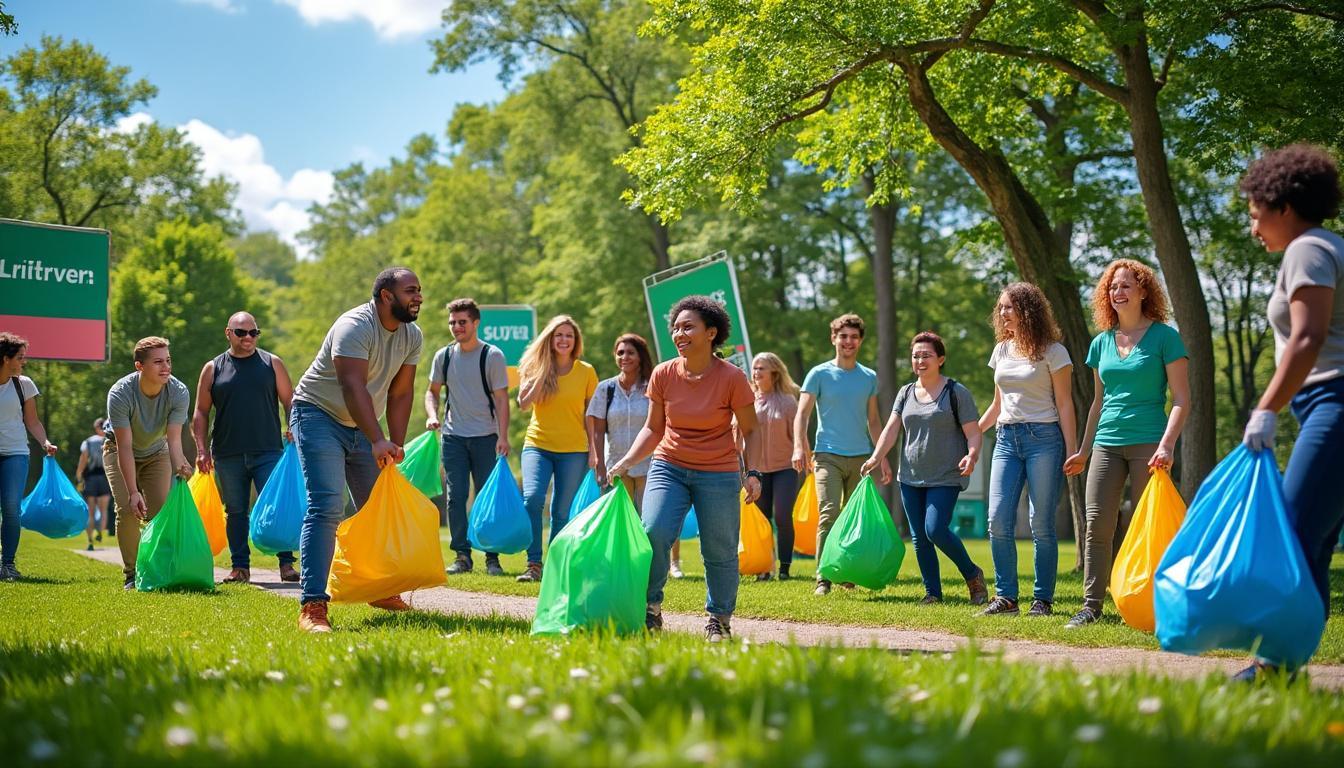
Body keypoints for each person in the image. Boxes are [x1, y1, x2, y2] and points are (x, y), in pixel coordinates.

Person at [1237, 144, 1344, 680]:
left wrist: (1264, 408)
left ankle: (1274, 663)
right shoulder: (1330, 245)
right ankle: (1284, 666)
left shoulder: (1308, 249)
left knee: (1297, 536)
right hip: (1324, 406)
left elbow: (1308, 337)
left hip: (1335, 405)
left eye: (1257, 216)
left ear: (1283, 206)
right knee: (1315, 543)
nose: (1255, 229)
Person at [609, 296, 760, 642]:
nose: (679, 333)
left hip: (719, 471)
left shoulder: (732, 378)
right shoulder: (663, 373)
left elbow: (751, 429)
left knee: (719, 549)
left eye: (688, 326)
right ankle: (650, 609)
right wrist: (627, 461)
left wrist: (753, 473)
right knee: (655, 531)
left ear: (711, 333)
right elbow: (653, 428)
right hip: (669, 465)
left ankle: (718, 619)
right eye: (676, 327)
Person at [294, 268, 424, 633]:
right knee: (327, 504)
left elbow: (401, 393)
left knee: (378, 506)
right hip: (317, 415)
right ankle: (313, 605)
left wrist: (394, 443)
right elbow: (352, 386)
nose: (418, 297)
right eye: (410, 291)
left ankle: (380, 589)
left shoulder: (412, 335)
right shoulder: (355, 325)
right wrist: (377, 438)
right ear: (386, 296)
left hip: (365, 425)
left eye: (419, 291)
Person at [1064, 260, 1189, 628]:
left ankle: (1150, 601)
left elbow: (1182, 398)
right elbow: (1098, 403)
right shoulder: (1101, 343)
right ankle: (1091, 605)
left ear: (1143, 291)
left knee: (1145, 523)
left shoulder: (1166, 337)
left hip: (1150, 442)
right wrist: (1084, 451)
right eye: (1112, 287)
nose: (1117, 292)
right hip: (1106, 442)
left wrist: (1167, 445)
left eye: (1125, 286)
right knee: (1096, 525)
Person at [978, 283, 1080, 617]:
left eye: (1008, 307)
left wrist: (1072, 449)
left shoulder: (1054, 352)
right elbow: (997, 403)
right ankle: (1006, 598)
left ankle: (1042, 600)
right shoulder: (1002, 350)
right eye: (1001, 307)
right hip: (1006, 438)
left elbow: (1065, 404)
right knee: (997, 520)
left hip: (1044, 439)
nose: (1002, 312)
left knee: (1040, 523)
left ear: (1027, 310)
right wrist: (973, 435)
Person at [864, 332, 987, 605]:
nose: (920, 360)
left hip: (945, 476)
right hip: (910, 476)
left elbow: (974, 432)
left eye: (926, 355)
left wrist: (973, 454)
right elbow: (891, 428)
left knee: (935, 529)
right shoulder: (905, 393)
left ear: (940, 359)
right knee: (920, 537)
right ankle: (933, 592)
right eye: (916, 355)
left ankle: (972, 574)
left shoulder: (956, 392)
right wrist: (876, 457)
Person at [192, 311, 297, 584]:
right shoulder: (212, 368)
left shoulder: (272, 363)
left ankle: (286, 564)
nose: (248, 337)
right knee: (236, 511)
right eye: (241, 332)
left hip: (269, 450)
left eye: (253, 332)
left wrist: (293, 426)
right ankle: (240, 567)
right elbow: (201, 412)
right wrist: (202, 450)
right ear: (228, 333)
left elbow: (290, 400)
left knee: (275, 507)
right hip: (227, 453)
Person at [793, 314, 890, 596]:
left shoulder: (868, 377)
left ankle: (845, 570)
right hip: (827, 455)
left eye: (853, 337)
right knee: (829, 513)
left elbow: (874, 420)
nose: (848, 341)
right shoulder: (819, 374)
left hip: (861, 457)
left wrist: (881, 456)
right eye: (843, 336)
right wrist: (800, 447)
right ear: (833, 338)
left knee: (852, 516)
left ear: (860, 341)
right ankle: (823, 577)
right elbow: (802, 414)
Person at [425, 297, 511, 577]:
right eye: (452, 322)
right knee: (456, 496)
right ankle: (462, 556)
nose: (456, 327)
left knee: (486, 498)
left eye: (462, 322)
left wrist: (503, 435)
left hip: (487, 436)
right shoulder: (444, 356)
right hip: (453, 437)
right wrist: (431, 414)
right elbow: (432, 391)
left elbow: (501, 399)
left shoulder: (493, 355)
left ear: (475, 323)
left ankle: (492, 557)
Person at [103, 337, 194, 589]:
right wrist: (133, 492)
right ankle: (132, 575)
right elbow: (124, 446)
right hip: (119, 451)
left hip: (156, 453)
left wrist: (181, 465)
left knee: (159, 513)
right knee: (127, 510)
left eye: (168, 360)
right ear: (139, 366)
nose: (166, 367)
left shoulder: (178, 391)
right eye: (157, 362)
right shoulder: (120, 393)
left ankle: (157, 570)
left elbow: (174, 440)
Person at [516, 315, 598, 583]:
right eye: (559, 335)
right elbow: (524, 404)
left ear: (576, 342)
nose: (564, 340)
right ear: (550, 339)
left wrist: (595, 451)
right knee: (532, 499)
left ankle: (554, 563)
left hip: (574, 450)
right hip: (538, 445)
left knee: (561, 511)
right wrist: (543, 372)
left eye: (569, 336)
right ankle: (533, 563)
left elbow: (591, 415)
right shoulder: (535, 366)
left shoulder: (586, 371)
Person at [0, 333, 58, 581]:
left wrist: (44, 441)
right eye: (20, 358)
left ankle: (8, 564)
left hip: (15, 452)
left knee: (12, 507)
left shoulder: (23, 384)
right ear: (5, 359)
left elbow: (32, 421)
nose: (24, 362)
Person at [586, 333, 654, 535]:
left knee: (648, 521)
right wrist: (599, 465)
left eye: (630, 352)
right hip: (616, 465)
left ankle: (654, 565)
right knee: (619, 524)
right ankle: (623, 565)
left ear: (640, 356)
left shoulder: (652, 386)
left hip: (649, 464)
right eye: (620, 352)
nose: (624, 357)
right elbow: (597, 431)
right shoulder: (605, 389)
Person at [743, 352, 800, 581]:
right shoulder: (747, 400)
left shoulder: (787, 401)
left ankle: (785, 568)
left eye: (761, 369)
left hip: (785, 467)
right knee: (762, 518)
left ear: (774, 373)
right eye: (754, 368)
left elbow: (797, 435)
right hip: (757, 470)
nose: (756, 373)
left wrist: (803, 453)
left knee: (783, 515)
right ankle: (765, 567)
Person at [76, 418, 111, 551]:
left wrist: (79, 476)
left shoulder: (88, 442)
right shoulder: (110, 440)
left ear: (96, 427)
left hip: (90, 478)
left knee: (90, 512)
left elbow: (83, 460)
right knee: (103, 510)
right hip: (105, 477)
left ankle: (90, 541)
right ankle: (101, 532)